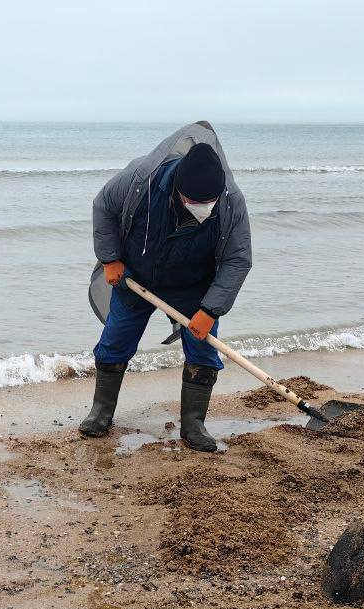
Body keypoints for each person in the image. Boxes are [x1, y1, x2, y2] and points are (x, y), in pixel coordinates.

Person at [81, 122, 252, 452]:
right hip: (137, 278)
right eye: (193, 200)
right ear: (176, 187)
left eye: (209, 202)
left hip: (194, 288)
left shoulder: (231, 202)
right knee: (115, 341)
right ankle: (101, 412)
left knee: (203, 351)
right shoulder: (140, 180)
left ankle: (193, 425)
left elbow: (237, 260)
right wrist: (110, 259)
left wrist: (209, 309)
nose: (202, 207)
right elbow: (103, 206)